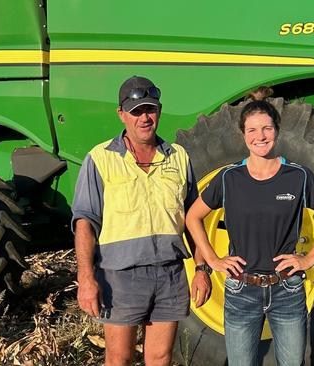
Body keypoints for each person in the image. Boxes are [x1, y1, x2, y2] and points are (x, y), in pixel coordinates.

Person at [185, 91, 314, 366]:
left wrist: (309, 258)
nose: (260, 136)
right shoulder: (229, 178)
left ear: (277, 131)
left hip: (288, 290)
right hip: (240, 291)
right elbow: (192, 217)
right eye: (252, 130)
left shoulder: (298, 176)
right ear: (243, 135)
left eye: (267, 128)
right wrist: (212, 259)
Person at [72, 76, 212, 366]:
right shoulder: (100, 159)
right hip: (120, 277)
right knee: (119, 358)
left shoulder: (178, 157)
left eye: (150, 110)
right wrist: (86, 278)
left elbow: (193, 220)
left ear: (159, 111)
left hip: (170, 275)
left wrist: (201, 269)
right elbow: (85, 221)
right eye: (136, 111)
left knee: (160, 358)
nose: (144, 118)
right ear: (121, 114)